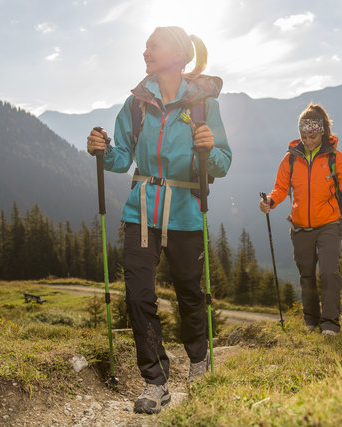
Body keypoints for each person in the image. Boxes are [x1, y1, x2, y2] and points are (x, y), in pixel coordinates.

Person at [86, 26, 231, 414]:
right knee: (138, 296)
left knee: (190, 294)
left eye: (154, 45)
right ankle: (155, 380)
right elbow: (121, 159)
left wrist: (208, 148)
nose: (146, 51)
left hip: (186, 213)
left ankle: (198, 362)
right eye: (146, 45)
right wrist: (101, 149)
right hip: (141, 213)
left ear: (178, 56)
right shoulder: (136, 103)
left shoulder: (203, 106)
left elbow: (222, 164)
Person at [259, 104, 342, 337]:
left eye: (313, 136)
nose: (308, 140)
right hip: (300, 226)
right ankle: (311, 321)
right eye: (304, 136)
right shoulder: (291, 159)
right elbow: (281, 188)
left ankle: (330, 324)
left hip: (329, 224)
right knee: (306, 274)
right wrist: (271, 201)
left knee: (328, 272)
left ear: (322, 131)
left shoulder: (336, 158)